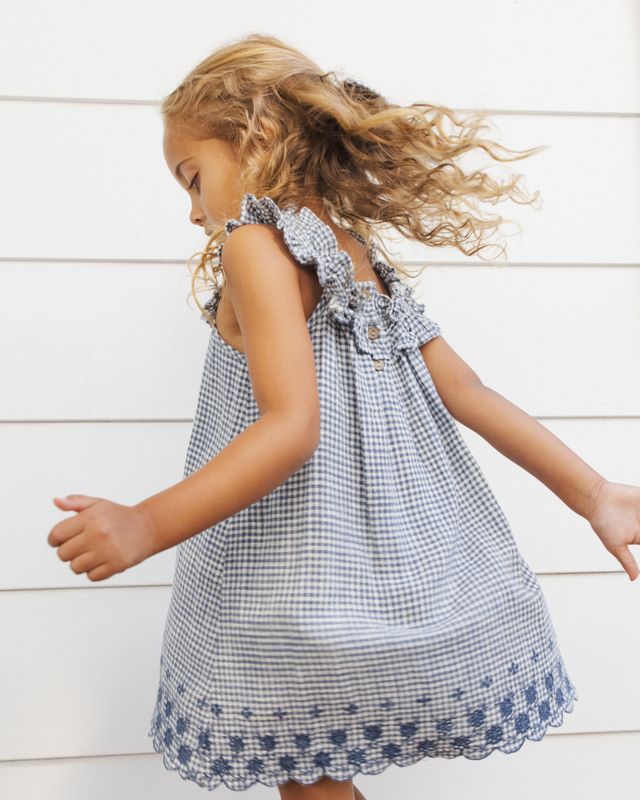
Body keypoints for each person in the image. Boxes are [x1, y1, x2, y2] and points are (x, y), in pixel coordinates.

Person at [47, 32, 640, 800]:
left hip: (290, 577)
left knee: (310, 784)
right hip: (366, 573)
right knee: (316, 784)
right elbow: (468, 391)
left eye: (193, 178)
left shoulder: (254, 243)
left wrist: (144, 523)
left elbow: (291, 427)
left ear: (257, 135)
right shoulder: (353, 252)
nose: (193, 212)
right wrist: (595, 493)